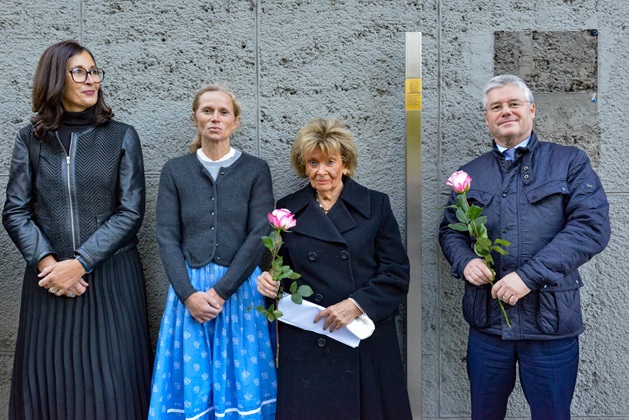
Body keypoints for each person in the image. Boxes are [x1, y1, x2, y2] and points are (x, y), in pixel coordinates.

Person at [439, 74, 611, 420]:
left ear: (531, 110)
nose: (506, 111)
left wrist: (528, 277)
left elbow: (590, 227)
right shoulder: (469, 174)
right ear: (487, 118)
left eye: (513, 103)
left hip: (549, 324)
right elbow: (450, 231)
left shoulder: (569, 162)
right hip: (489, 327)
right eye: (496, 107)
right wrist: (465, 260)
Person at [2, 40, 152, 419]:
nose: (92, 80)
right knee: (48, 386)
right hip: (48, 281)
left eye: (94, 71)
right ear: (56, 78)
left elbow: (130, 211)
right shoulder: (30, 139)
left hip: (111, 278)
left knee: (112, 389)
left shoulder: (121, 136)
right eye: (80, 72)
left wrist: (81, 262)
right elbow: (15, 211)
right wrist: (49, 263)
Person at [256, 117, 412, 420]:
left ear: (345, 163)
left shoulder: (375, 205)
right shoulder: (287, 209)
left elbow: (396, 272)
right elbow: (283, 270)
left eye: (330, 161)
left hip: (361, 336)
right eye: (313, 163)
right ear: (304, 167)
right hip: (306, 339)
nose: (321, 171)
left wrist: (356, 305)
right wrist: (270, 284)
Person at [149, 85, 277, 419]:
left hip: (239, 290)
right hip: (189, 291)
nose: (215, 118)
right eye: (207, 111)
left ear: (236, 121)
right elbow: (166, 236)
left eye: (223, 112)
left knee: (242, 375)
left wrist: (221, 291)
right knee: (193, 381)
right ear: (195, 118)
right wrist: (188, 294)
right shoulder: (175, 170)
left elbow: (259, 233)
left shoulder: (255, 170)